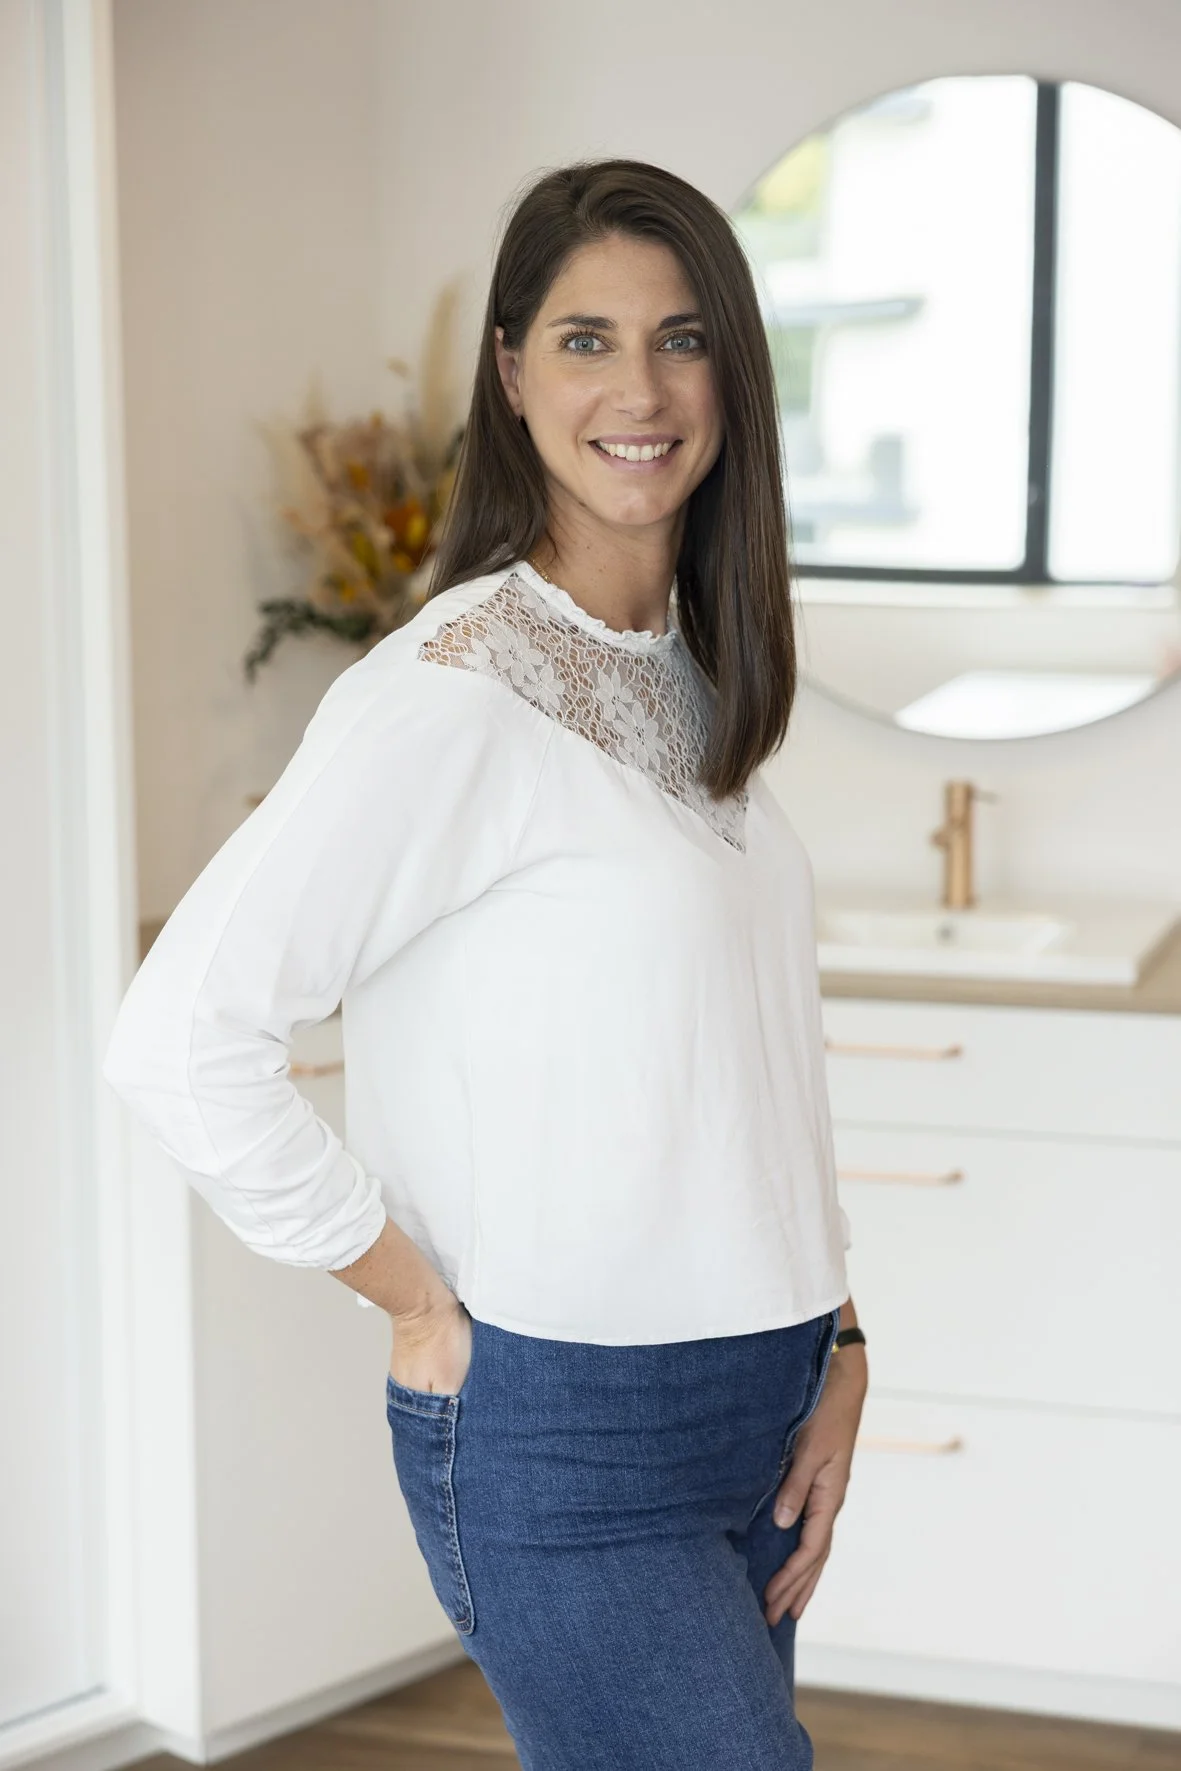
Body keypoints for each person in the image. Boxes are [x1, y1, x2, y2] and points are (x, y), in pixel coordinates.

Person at [103, 156, 868, 1770]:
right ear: (512, 375)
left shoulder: (693, 681)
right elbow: (181, 1035)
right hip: (565, 1433)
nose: (640, 389)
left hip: (762, 1404)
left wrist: (841, 1339)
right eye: (586, 340)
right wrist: (409, 1298)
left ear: (732, 369)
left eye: (681, 338)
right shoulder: (447, 691)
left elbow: (746, 1065)